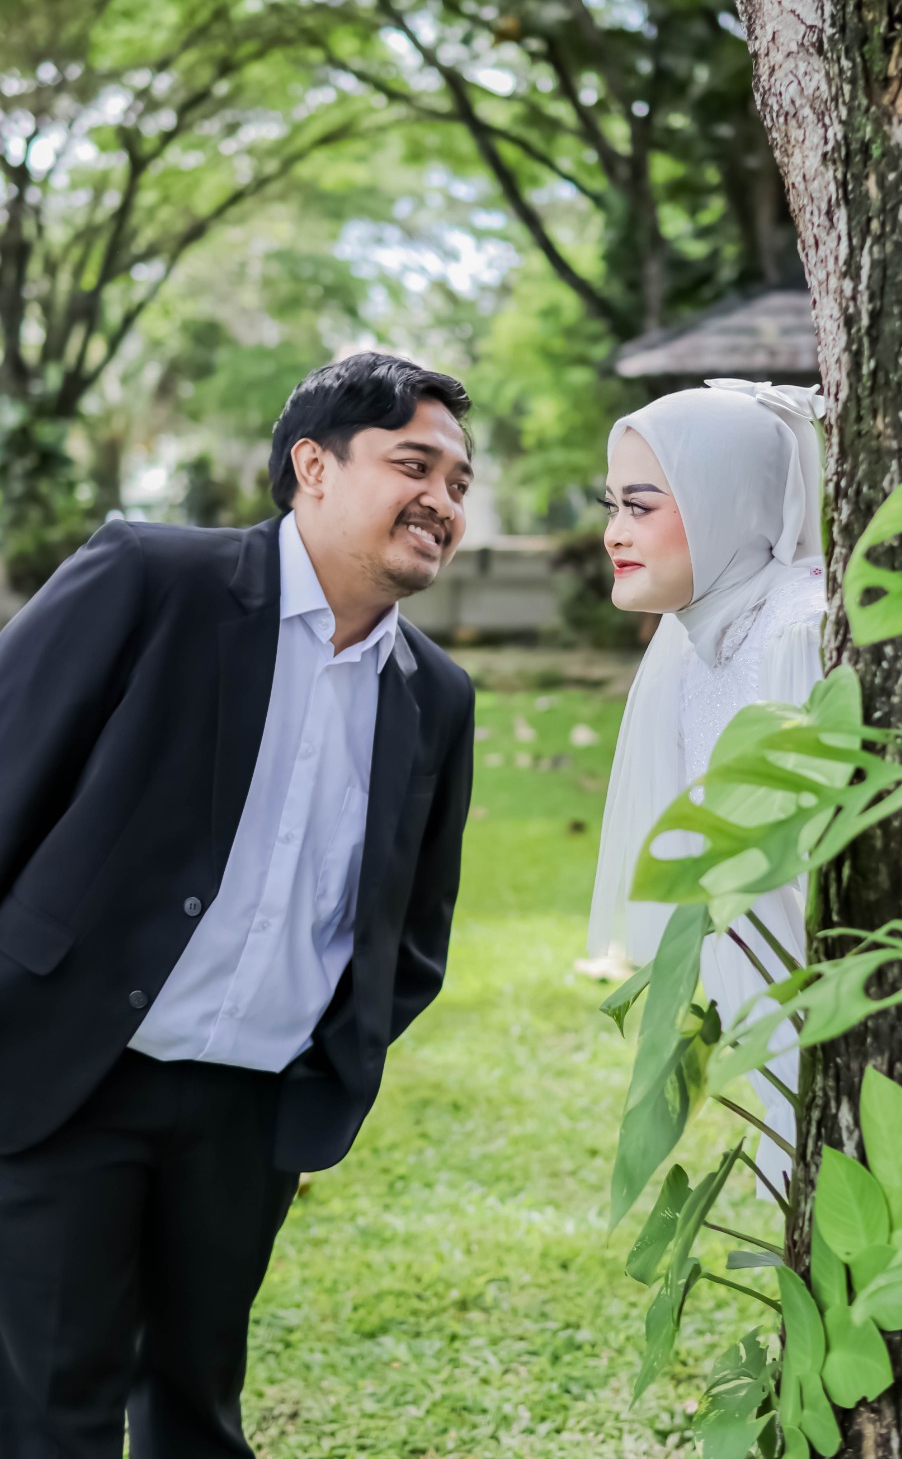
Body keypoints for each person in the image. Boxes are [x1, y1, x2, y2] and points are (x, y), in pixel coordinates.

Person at [0, 351, 477, 1457]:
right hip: (68, 1072)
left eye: (459, 483)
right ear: (314, 465)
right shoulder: (150, 578)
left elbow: (408, 934)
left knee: (198, 1410)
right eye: (414, 466)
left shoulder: (437, 695)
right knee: (51, 1416)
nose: (443, 502)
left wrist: (321, 1057)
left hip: (251, 1110)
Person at [587, 377, 826, 1194]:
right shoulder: (697, 645)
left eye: (641, 506)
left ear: (731, 502)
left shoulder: (797, 634)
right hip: (779, 1022)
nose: (614, 533)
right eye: (610, 506)